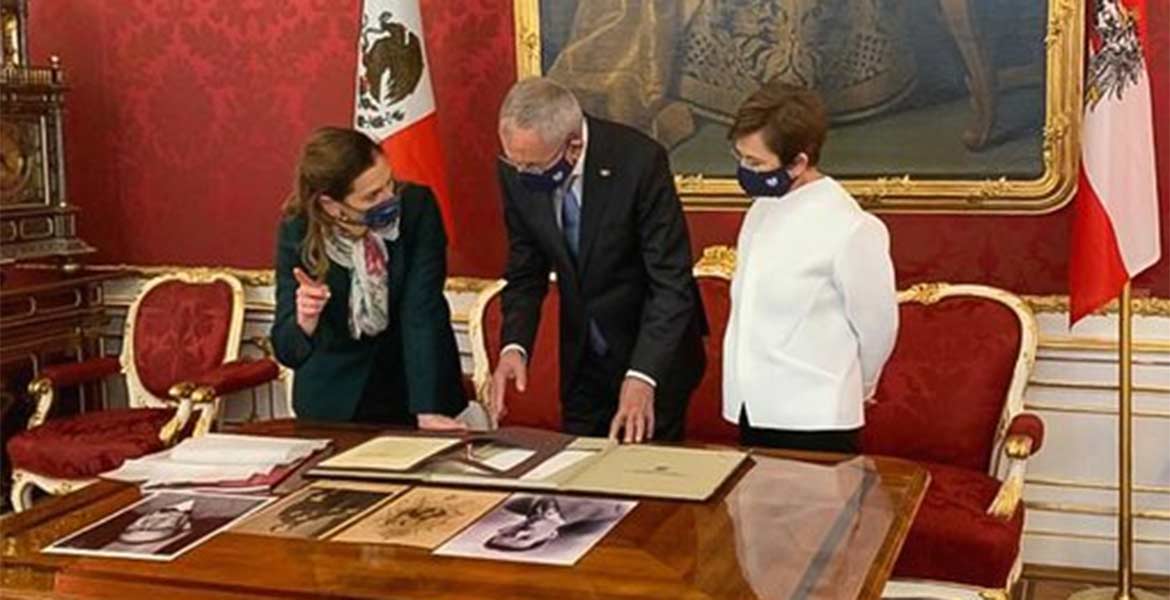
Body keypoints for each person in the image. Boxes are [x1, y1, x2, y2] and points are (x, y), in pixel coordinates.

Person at [488, 77, 707, 443]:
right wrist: (515, 345)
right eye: (514, 162)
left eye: (533, 167)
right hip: (583, 360)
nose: (521, 174)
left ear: (573, 147)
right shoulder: (519, 168)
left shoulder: (638, 161)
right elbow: (526, 269)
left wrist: (643, 375)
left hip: (651, 356)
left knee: (645, 472)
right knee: (580, 470)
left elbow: (671, 281)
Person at [722, 80, 899, 453]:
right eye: (741, 157)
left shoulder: (851, 227)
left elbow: (877, 328)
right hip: (751, 410)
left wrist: (861, 386)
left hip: (815, 416)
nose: (744, 170)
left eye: (756, 163)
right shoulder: (761, 209)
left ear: (798, 163)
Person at [271, 127, 466, 428]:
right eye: (372, 196)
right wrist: (304, 321)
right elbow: (287, 351)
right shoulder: (298, 230)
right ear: (331, 205)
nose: (390, 199)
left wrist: (428, 408)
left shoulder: (417, 207)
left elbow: (422, 309)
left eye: (389, 183)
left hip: (411, 389)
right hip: (332, 404)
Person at [484, 495, 626, 552]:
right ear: (552, 535)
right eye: (526, 538)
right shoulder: (607, 512)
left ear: (504, 528)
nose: (520, 532)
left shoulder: (515, 503)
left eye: (508, 535)